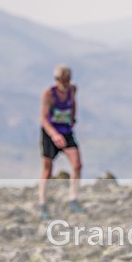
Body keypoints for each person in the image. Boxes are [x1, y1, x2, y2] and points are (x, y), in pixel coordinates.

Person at [39, 63, 85, 219]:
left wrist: (73, 118)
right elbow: (43, 119)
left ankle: (73, 199)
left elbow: (73, 103)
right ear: (56, 79)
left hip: (66, 131)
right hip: (50, 133)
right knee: (47, 169)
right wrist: (54, 135)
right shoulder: (48, 94)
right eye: (62, 80)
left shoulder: (72, 89)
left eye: (68, 80)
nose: (65, 84)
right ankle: (42, 202)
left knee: (77, 164)